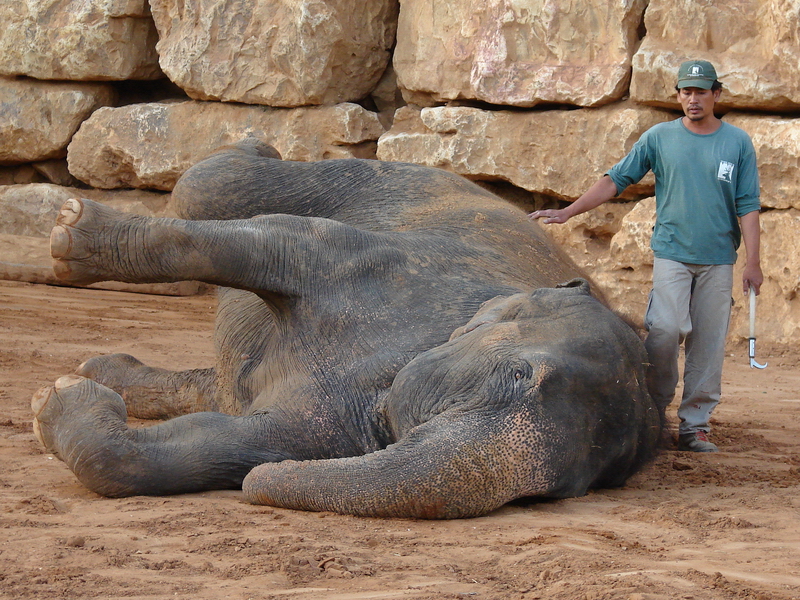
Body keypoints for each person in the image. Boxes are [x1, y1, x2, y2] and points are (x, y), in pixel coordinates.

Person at [529, 59, 763, 453]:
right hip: (672, 253)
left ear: (716, 95)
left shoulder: (736, 142)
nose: (693, 99)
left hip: (719, 258)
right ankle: (654, 413)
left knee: (708, 342)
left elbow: (748, 204)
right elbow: (616, 178)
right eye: (686, 91)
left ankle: (695, 425)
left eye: (701, 91)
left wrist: (752, 262)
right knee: (666, 330)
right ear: (677, 95)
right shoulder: (659, 137)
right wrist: (569, 211)